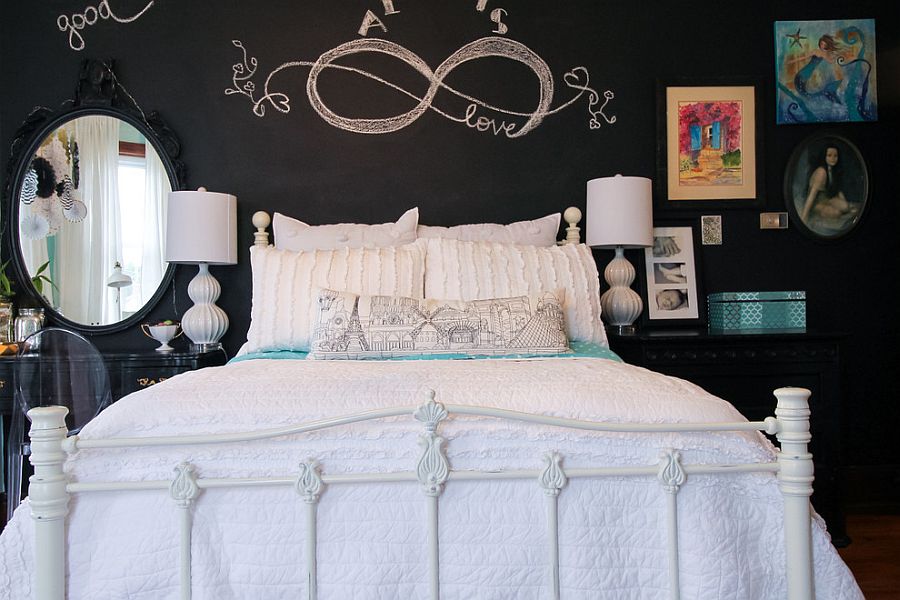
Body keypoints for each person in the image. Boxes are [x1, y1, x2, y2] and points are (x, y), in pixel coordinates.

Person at [800, 143, 859, 225]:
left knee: (845, 207)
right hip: (816, 203)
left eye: (835, 156)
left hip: (827, 199)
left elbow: (838, 190)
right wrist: (804, 217)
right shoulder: (821, 172)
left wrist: (845, 204)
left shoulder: (834, 170)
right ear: (824, 156)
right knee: (836, 213)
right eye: (829, 155)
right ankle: (817, 218)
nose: (833, 158)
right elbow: (811, 196)